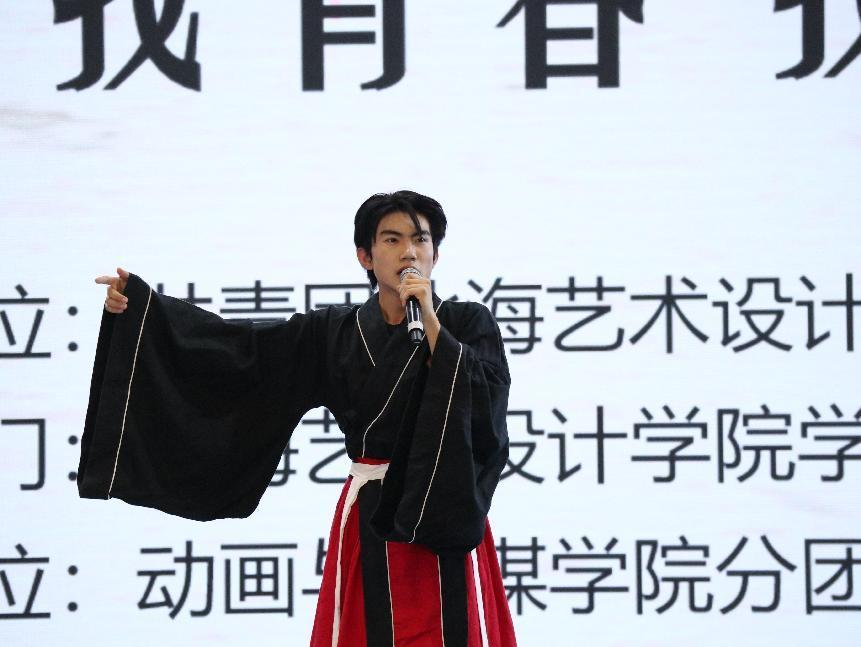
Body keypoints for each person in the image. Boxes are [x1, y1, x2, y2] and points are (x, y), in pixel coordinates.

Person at [82, 190, 518, 646]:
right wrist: (142, 311)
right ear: (365, 256)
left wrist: (432, 328)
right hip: (373, 515)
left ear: (435, 254)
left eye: (420, 239)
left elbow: (486, 411)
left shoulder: (468, 323)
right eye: (392, 240)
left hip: (446, 511)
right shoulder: (333, 333)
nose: (409, 252)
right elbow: (244, 353)